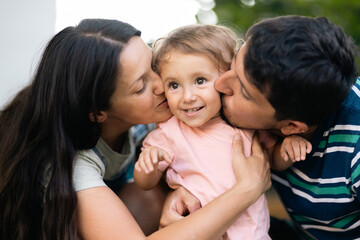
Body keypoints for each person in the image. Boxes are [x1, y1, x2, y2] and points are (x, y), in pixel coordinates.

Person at [0, 18, 271, 240]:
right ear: (98, 113)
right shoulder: (70, 165)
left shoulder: (160, 121)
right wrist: (247, 189)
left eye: (154, 66)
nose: (161, 84)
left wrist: (178, 193)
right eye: (141, 86)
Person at [162, 15, 359, 240]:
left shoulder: (355, 149)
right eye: (233, 64)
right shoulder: (210, 106)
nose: (220, 83)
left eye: (243, 92)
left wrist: (249, 187)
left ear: (291, 127)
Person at [133, 24, 312, 239]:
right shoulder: (170, 132)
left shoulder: (244, 123)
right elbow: (145, 184)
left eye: (200, 81)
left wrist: (288, 149)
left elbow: (271, 161)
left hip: (255, 233)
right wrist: (148, 167)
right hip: (204, 231)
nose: (187, 96)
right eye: (174, 85)